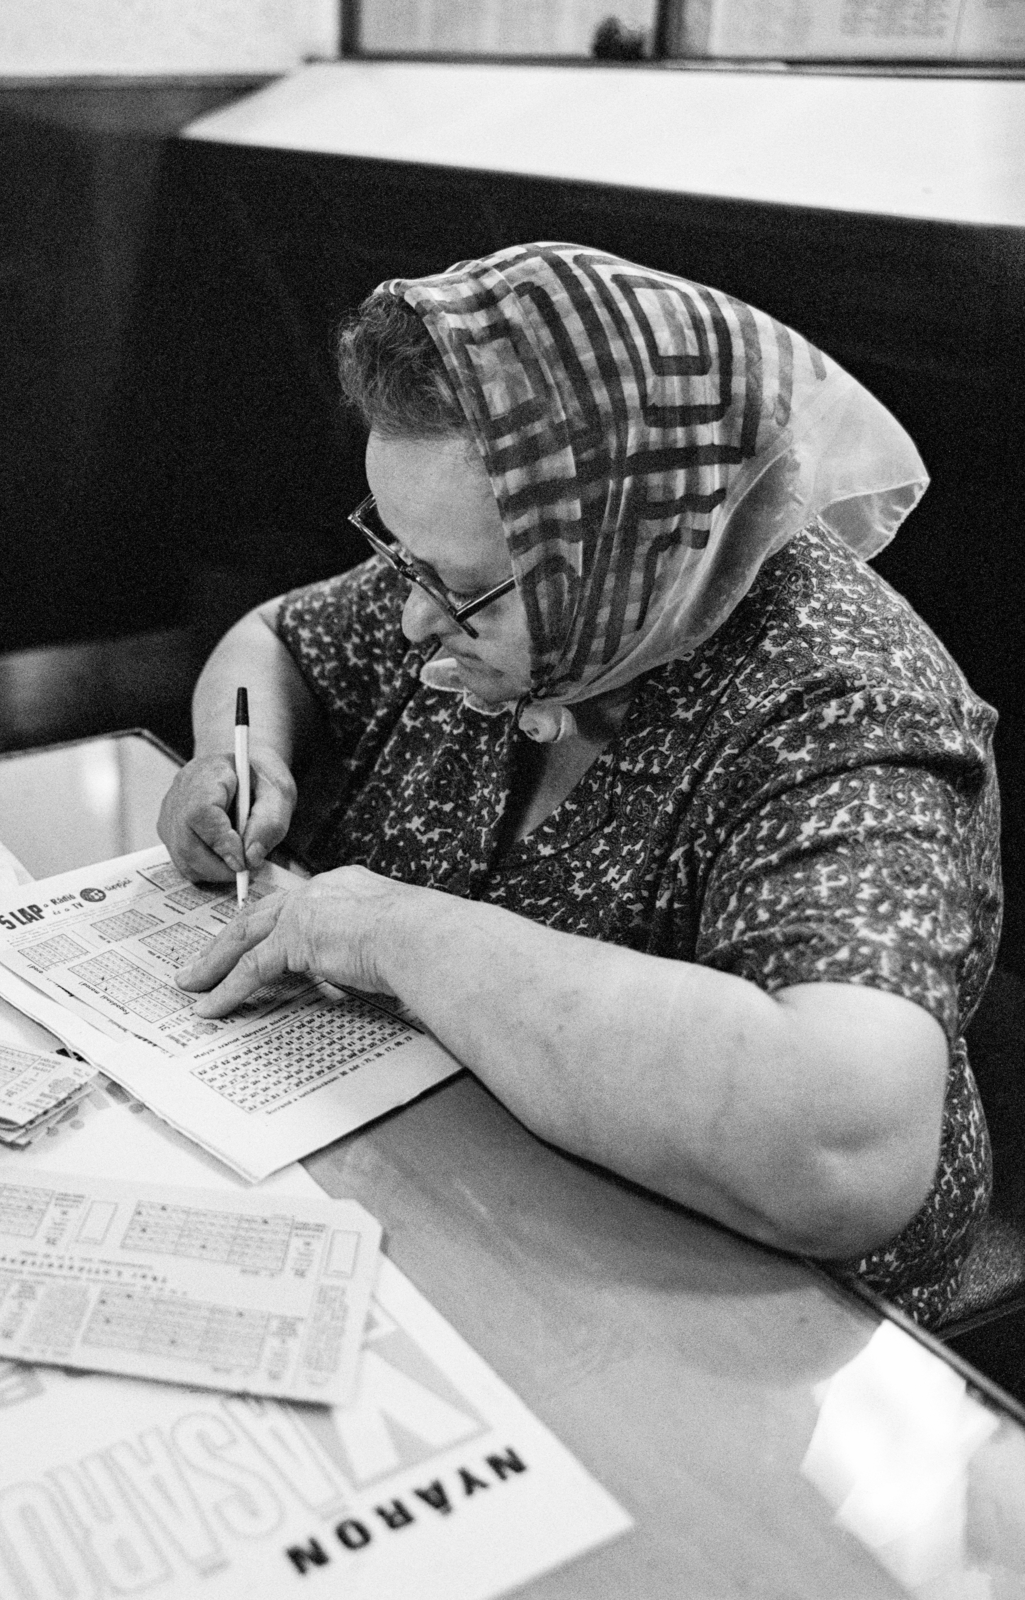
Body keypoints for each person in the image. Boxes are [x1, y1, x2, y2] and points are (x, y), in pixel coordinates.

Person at [159, 242, 999, 1327]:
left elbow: (842, 1144)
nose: (414, 618)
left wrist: (389, 930)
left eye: (459, 591)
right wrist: (235, 751)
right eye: (404, 563)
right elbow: (274, 636)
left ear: (638, 544)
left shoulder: (846, 702)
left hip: (743, 1311)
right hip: (474, 1184)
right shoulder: (498, 573)